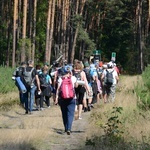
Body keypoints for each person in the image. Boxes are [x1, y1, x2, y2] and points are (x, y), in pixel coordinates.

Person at [55, 65, 78, 135]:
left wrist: (56, 98)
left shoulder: (60, 79)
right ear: (70, 71)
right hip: (72, 98)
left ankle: (65, 127)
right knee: (70, 114)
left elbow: (58, 89)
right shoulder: (73, 78)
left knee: (64, 113)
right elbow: (76, 86)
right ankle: (69, 128)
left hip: (62, 98)